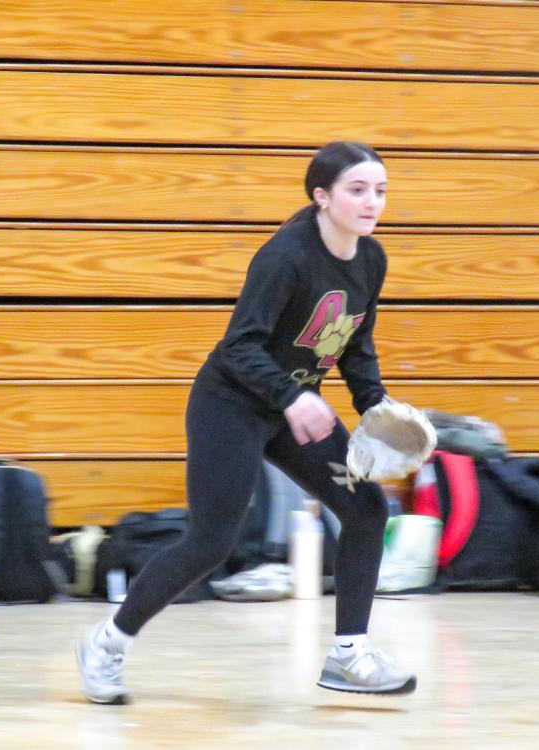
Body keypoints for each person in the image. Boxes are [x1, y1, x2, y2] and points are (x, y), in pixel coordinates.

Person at [78, 141, 416, 704]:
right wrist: (291, 396)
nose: (371, 202)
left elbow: (356, 342)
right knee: (212, 542)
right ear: (321, 196)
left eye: (380, 191)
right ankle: (106, 643)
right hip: (231, 405)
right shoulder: (285, 257)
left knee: (366, 509)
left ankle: (349, 653)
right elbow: (239, 347)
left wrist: (375, 405)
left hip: (294, 410)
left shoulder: (371, 258)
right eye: (357, 190)